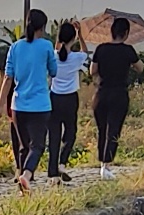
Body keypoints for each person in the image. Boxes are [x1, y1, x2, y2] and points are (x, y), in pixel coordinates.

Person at [0, 8, 57, 193]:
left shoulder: (15, 47)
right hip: (40, 105)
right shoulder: (46, 46)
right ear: (43, 27)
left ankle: (24, 189)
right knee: (37, 146)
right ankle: (26, 175)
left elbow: (8, 78)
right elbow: (53, 71)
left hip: (18, 105)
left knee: (24, 147)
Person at [90, 16, 142, 177]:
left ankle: (102, 163)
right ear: (126, 33)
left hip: (101, 94)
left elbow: (92, 71)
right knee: (113, 129)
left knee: (102, 129)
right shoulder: (128, 50)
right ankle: (106, 165)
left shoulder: (101, 49)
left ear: (111, 32)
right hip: (119, 94)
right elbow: (140, 68)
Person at [47, 22, 89, 183]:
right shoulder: (77, 57)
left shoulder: (52, 56)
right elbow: (85, 52)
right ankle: (62, 162)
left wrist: (60, 39)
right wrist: (81, 36)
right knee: (70, 132)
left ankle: (52, 173)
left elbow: (56, 50)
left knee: (54, 135)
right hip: (70, 99)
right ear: (73, 38)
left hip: (54, 98)